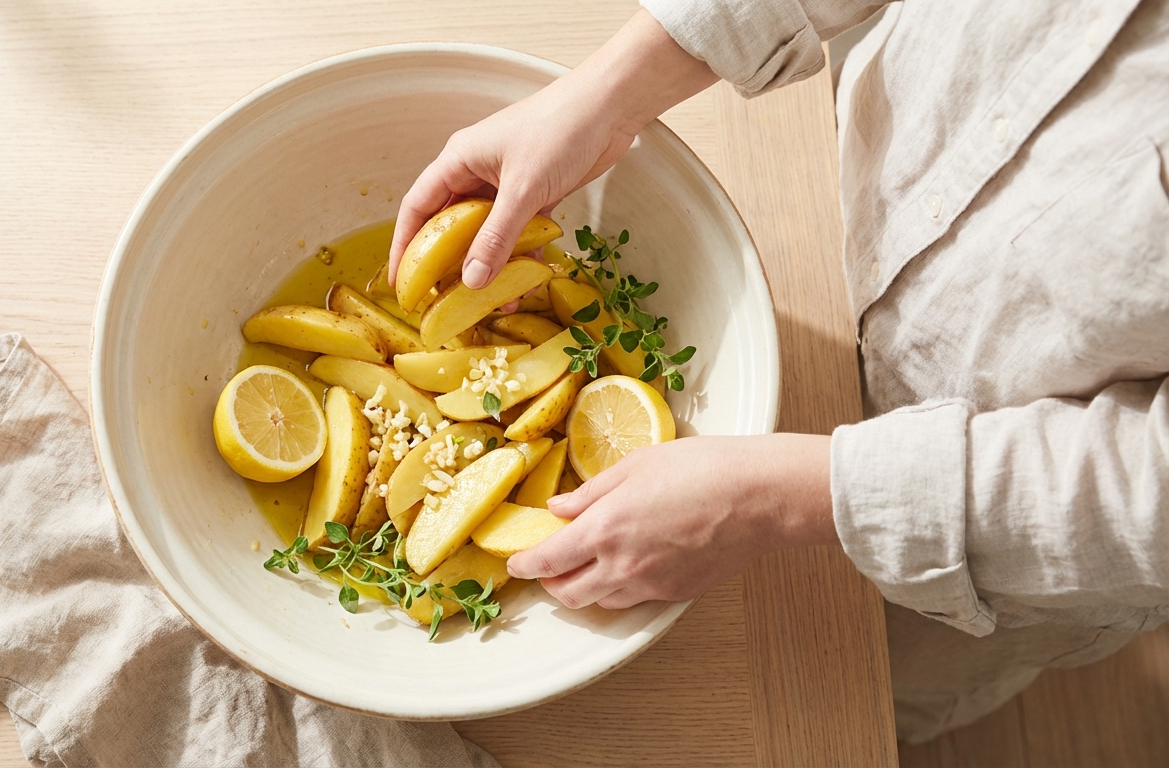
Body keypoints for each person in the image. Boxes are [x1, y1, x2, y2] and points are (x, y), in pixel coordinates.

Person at [388, 0, 1169, 742]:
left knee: (851, 691)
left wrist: (773, 499)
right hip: (838, 210)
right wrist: (614, 88)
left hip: (983, 520)